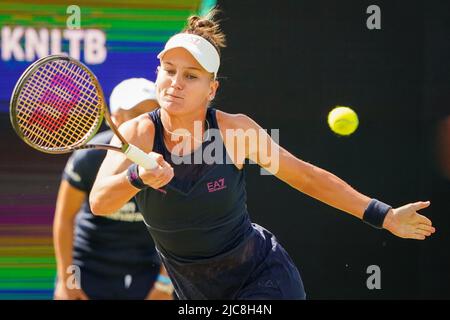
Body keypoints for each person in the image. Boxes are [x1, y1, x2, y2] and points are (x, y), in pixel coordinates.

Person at [89, 10, 435, 299]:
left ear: (212, 89)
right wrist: (138, 176)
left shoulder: (235, 131)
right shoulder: (139, 133)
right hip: (195, 292)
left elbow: (305, 176)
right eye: (169, 70)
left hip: (262, 279)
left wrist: (383, 215)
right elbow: (100, 202)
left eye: (191, 76)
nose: (175, 83)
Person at [53, 78, 174, 300]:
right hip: (88, 267)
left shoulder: (175, 160)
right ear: (115, 119)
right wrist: (66, 279)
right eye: (135, 112)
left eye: (151, 113)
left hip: (147, 269)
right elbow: (64, 217)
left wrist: (165, 283)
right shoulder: (87, 158)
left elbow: (180, 228)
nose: (143, 121)